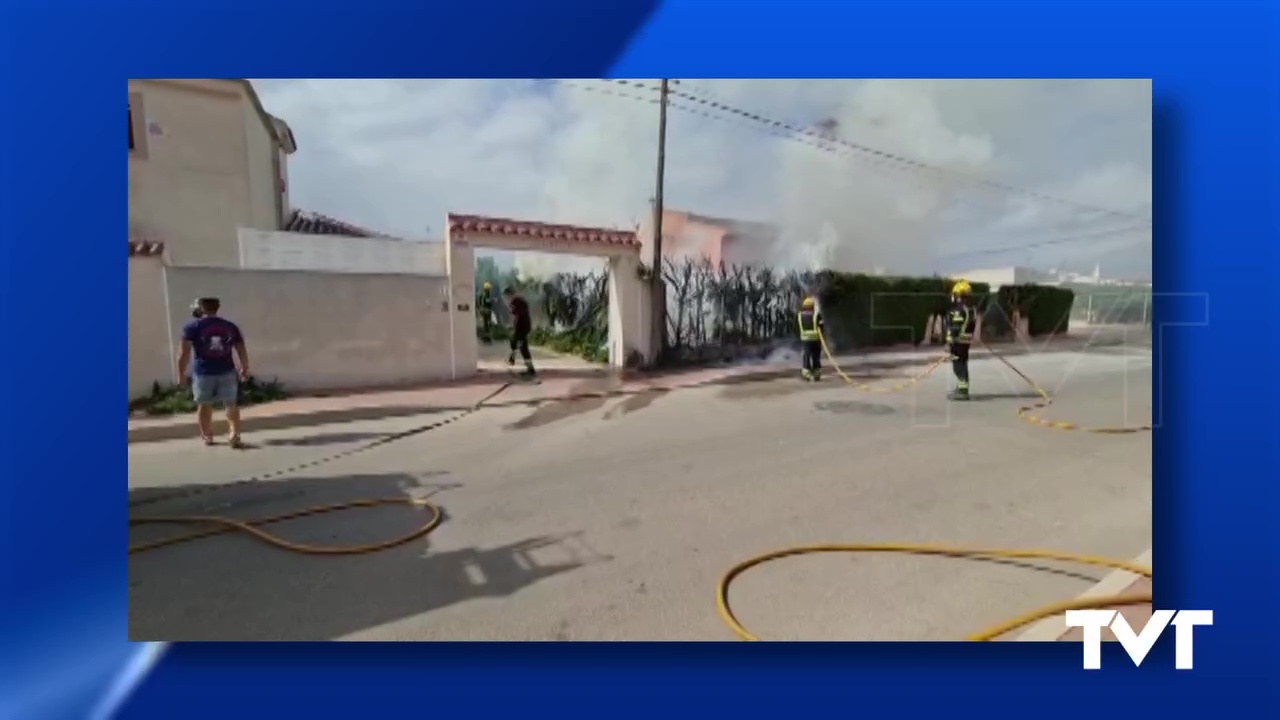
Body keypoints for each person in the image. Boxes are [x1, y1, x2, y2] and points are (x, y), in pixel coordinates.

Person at [178, 297, 250, 447]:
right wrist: (244, 367)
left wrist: (181, 374)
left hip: (203, 373)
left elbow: (183, 353)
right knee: (231, 404)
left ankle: (207, 435)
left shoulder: (191, 327)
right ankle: (234, 433)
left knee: (204, 404)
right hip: (227, 371)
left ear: (201, 308)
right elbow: (240, 347)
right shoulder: (230, 326)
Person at [945, 280, 977, 401]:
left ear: (958, 295)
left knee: (958, 365)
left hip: (957, 343)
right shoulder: (971, 309)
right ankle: (961, 387)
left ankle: (963, 391)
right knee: (963, 364)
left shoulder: (958, 310)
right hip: (965, 342)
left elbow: (955, 327)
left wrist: (949, 342)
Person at [503, 286, 536, 379]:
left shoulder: (515, 302)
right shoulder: (521, 301)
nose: (506, 298)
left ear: (510, 294)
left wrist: (513, 328)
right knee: (517, 343)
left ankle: (530, 369)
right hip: (525, 327)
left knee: (522, 347)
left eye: (507, 296)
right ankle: (512, 359)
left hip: (521, 328)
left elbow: (516, 316)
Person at [797, 296, 824, 381]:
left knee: (806, 356)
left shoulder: (799, 316)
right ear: (812, 306)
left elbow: (797, 328)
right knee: (816, 356)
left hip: (805, 340)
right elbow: (821, 326)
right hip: (816, 339)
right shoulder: (817, 315)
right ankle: (817, 374)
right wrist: (822, 336)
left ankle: (806, 375)